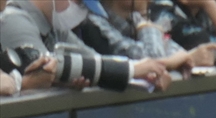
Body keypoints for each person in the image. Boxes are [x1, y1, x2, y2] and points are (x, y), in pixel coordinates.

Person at [0, 0, 169, 90]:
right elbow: (46, 67)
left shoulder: (54, 26)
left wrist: (140, 73)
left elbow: (93, 59)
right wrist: (132, 70)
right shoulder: (13, 18)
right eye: (78, 2)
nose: (81, 11)